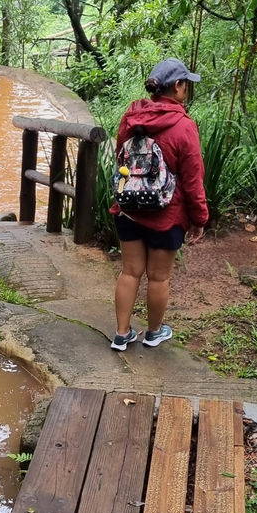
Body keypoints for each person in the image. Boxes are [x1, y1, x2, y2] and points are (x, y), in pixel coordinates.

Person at [109, 57, 209, 351]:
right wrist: (199, 218)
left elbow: (121, 158)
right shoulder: (183, 126)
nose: (187, 89)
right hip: (167, 213)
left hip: (128, 208)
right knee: (158, 276)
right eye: (186, 84)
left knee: (129, 272)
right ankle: (153, 332)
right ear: (177, 86)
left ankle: (121, 334)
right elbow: (193, 178)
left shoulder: (131, 117)